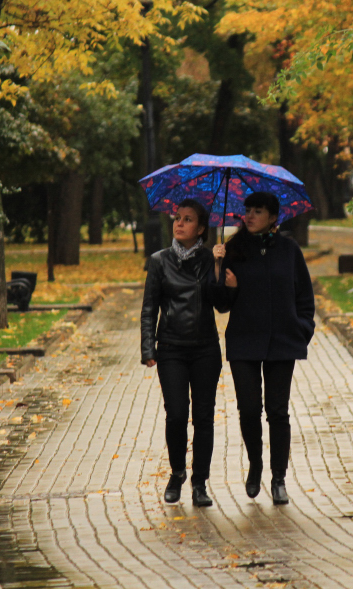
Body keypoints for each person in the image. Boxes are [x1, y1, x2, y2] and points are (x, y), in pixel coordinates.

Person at [212, 192, 315, 505]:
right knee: (248, 409)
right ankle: (255, 464)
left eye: (258, 211)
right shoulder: (233, 249)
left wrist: (302, 330)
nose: (250, 216)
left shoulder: (289, 250)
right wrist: (220, 272)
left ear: (273, 217)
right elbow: (221, 306)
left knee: (277, 411)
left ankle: (279, 478)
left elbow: (305, 297)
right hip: (244, 340)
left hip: (282, 341)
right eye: (248, 211)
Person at [140, 199, 222, 507]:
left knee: (203, 418)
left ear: (200, 229)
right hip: (171, 348)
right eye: (177, 218)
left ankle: (200, 483)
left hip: (205, 350)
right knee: (176, 415)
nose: (179, 223)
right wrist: (149, 347)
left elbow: (221, 303)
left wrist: (216, 266)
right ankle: (177, 474)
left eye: (188, 219)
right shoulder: (159, 261)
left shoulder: (208, 259)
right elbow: (149, 309)